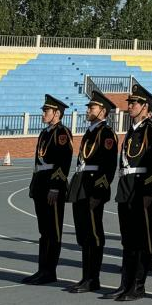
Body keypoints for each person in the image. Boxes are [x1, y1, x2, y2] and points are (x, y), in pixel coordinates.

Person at [104, 84, 152, 302]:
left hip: (141, 189)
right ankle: (125, 284)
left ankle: (138, 285)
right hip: (127, 188)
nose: (129, 106)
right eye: (129, 103)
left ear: (144, 106)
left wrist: (150, 190)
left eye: (134, 103)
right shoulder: (132, 130)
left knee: (140, 239)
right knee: (127, 240)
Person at [65, 89, 117, 293]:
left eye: (92, 107)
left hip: (94, 187)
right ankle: (85, 276)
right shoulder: (90, 132)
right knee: (84, 233)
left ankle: (93, 278)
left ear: (102, 111)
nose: (88, 110)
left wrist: (99, 191)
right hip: (82, 184)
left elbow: (109, 165)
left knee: (94, 234)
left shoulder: (106, 133)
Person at [25, 93, 72, 285]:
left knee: (53, 230)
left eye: (47, 111)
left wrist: (55, 187)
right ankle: (41, 269)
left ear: (57, 113)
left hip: (52, 184)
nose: (43, 113)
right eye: (44, 110)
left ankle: (50, 271)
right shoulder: (44, 133)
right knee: (44, 230)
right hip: (41, 183)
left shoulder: (62, 133)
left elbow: (63, 162)